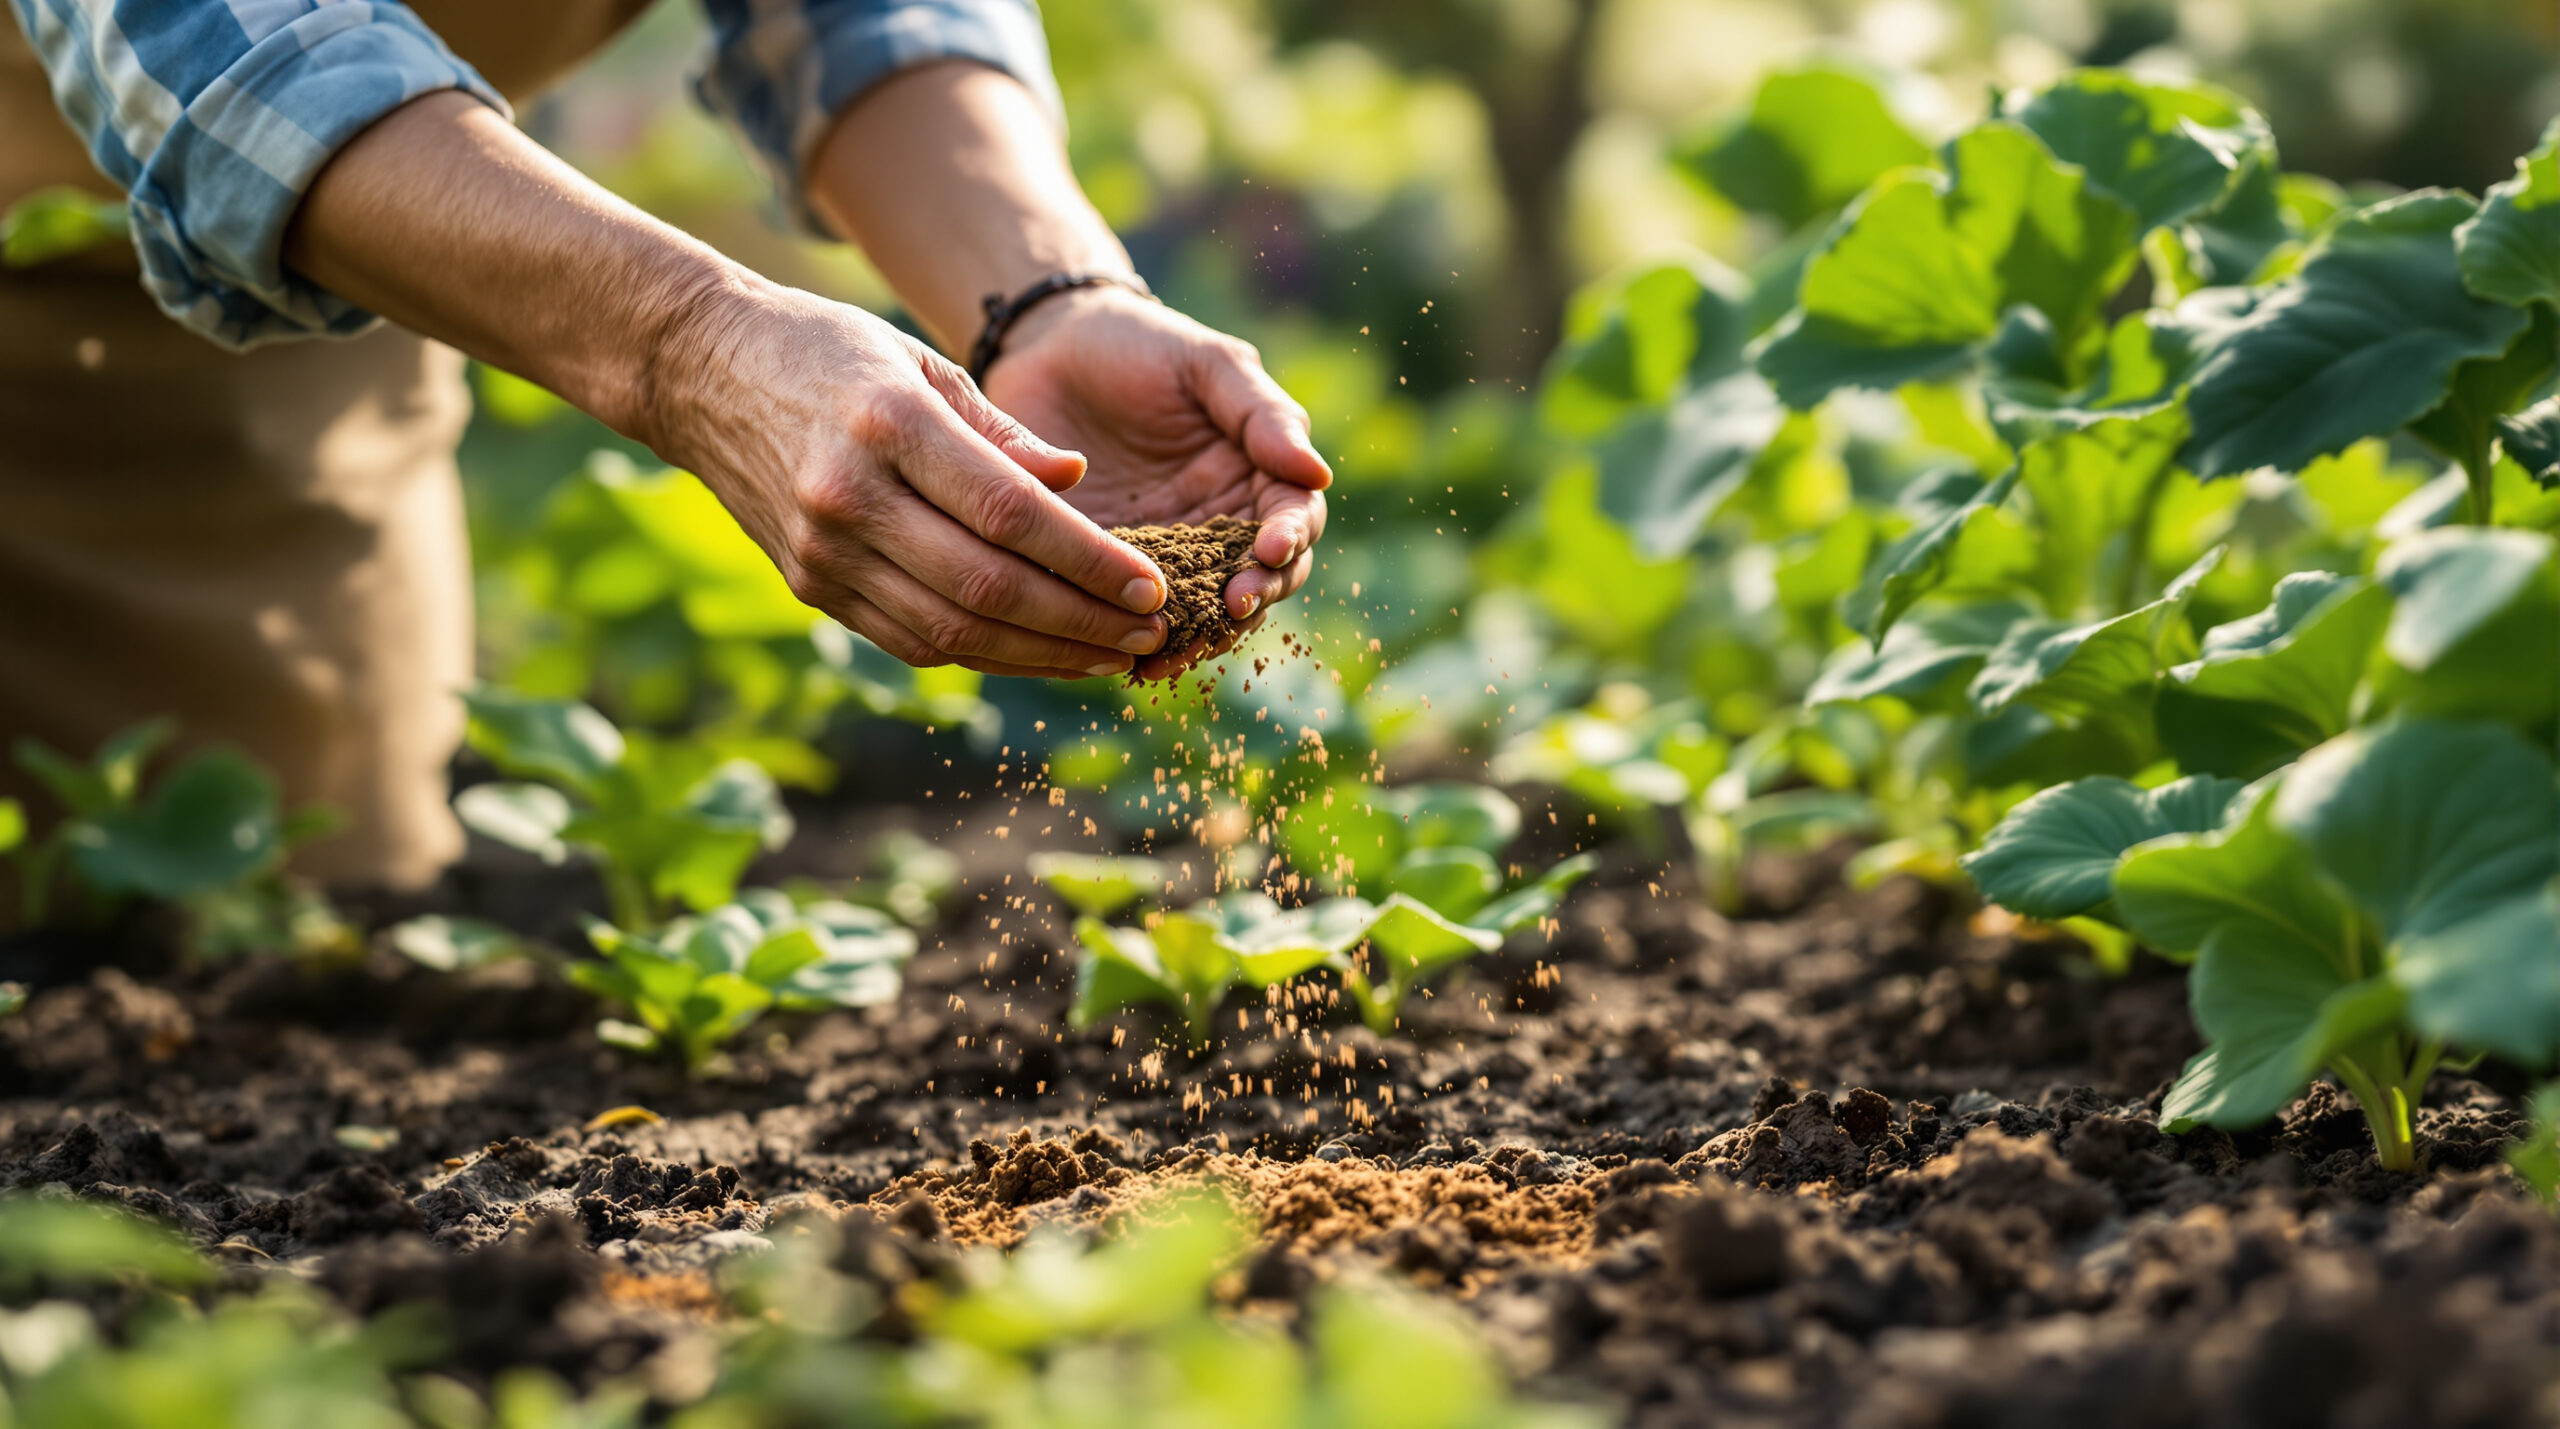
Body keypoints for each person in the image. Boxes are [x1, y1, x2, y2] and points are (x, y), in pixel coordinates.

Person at [0, 0, 1330, 891]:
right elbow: (223, 40)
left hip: (269, 338)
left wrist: (1048, 296)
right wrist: (691, 347)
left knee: (264, 929)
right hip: (108, 214)